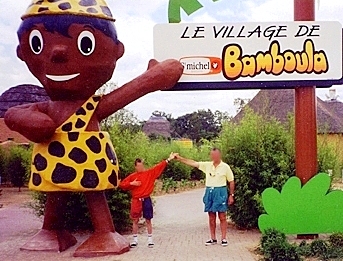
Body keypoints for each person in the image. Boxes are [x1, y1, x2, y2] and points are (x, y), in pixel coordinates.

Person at [175, 148, 235, 247]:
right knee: (211, 216)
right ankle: (213, 238)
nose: (214, 157)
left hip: (220, 191)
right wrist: (179, 158)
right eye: (212, 155)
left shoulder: (225, 167)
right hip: (209, 191)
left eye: (215, 155)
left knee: (222, 216)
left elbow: (231, 181)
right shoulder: (207, 165)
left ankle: (224, 238)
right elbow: (193, 163)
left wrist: (231, 195)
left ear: (219, 155)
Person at [119, 153, 176, 248]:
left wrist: (168, 159)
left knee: (148, 219)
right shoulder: (132, 176)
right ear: (135, 166)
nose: (140, 168)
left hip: (146, 199)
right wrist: (131, 183)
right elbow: (122, 185)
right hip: (136, 200)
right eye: (138, 166)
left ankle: (150, 239)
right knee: (135, 220)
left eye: (142, 166)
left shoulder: (149, 173)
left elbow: (159, 167)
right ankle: (135, 240)